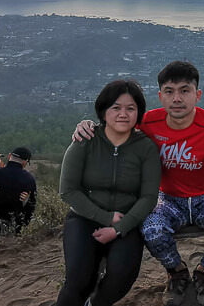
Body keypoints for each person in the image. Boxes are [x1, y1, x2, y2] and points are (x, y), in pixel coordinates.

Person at [74, 61, 204, 306]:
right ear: (160, 96)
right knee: (152, 229)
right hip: (166, 196)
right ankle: (176, 272)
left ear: (197, 95)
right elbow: (113, 125)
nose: (177, 98)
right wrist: (87, 124)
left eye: (184, 91)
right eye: (169, 91)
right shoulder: (148, 122)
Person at [55, 79, 161, 306]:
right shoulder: (85, 141)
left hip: (128, 220)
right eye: (116, 107)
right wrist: (106, 218)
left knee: (123, 274)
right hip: (84, 218)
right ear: (103, 112)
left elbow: (148, 197)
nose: (123, 114)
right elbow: (68, 191)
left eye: (130, 108)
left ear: (138, 113)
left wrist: (118, 228)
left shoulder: (146, 148)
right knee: (79, 278)